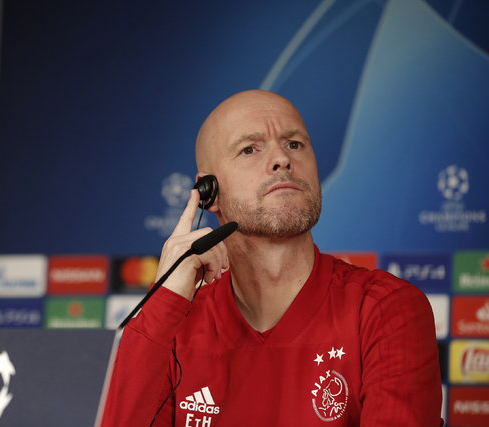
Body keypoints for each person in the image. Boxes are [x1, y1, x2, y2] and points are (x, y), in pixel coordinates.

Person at [101, 90, 442, 426]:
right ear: (209, 192)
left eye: (294, 144)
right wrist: (162, 305)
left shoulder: (386, 308)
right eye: (249, 149)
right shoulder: (173, 328)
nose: (282, 159)